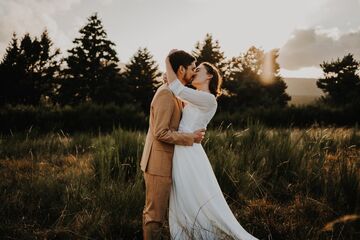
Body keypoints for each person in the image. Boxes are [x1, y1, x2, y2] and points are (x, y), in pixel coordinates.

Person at [165, 49, 259, 240]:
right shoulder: (195, 97)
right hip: (183, 149)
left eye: (197, 69)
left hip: (189, 153)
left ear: (208, 76)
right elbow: (175, 89)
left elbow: (177, 89)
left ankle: (201, 233)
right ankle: (187, 232)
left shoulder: (209, 100)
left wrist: (168, 59)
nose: (193, 72)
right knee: (184, 195)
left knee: (192, 195)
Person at [140, 50, 207, 240]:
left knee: (160, 214)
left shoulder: (173, 91)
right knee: (154, 215)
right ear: (180, 69)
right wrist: (190, 138)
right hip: (157, 163)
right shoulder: (166, 94)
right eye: (192, 69)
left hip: (167, 162)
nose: (194, 72)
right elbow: (160, 133)